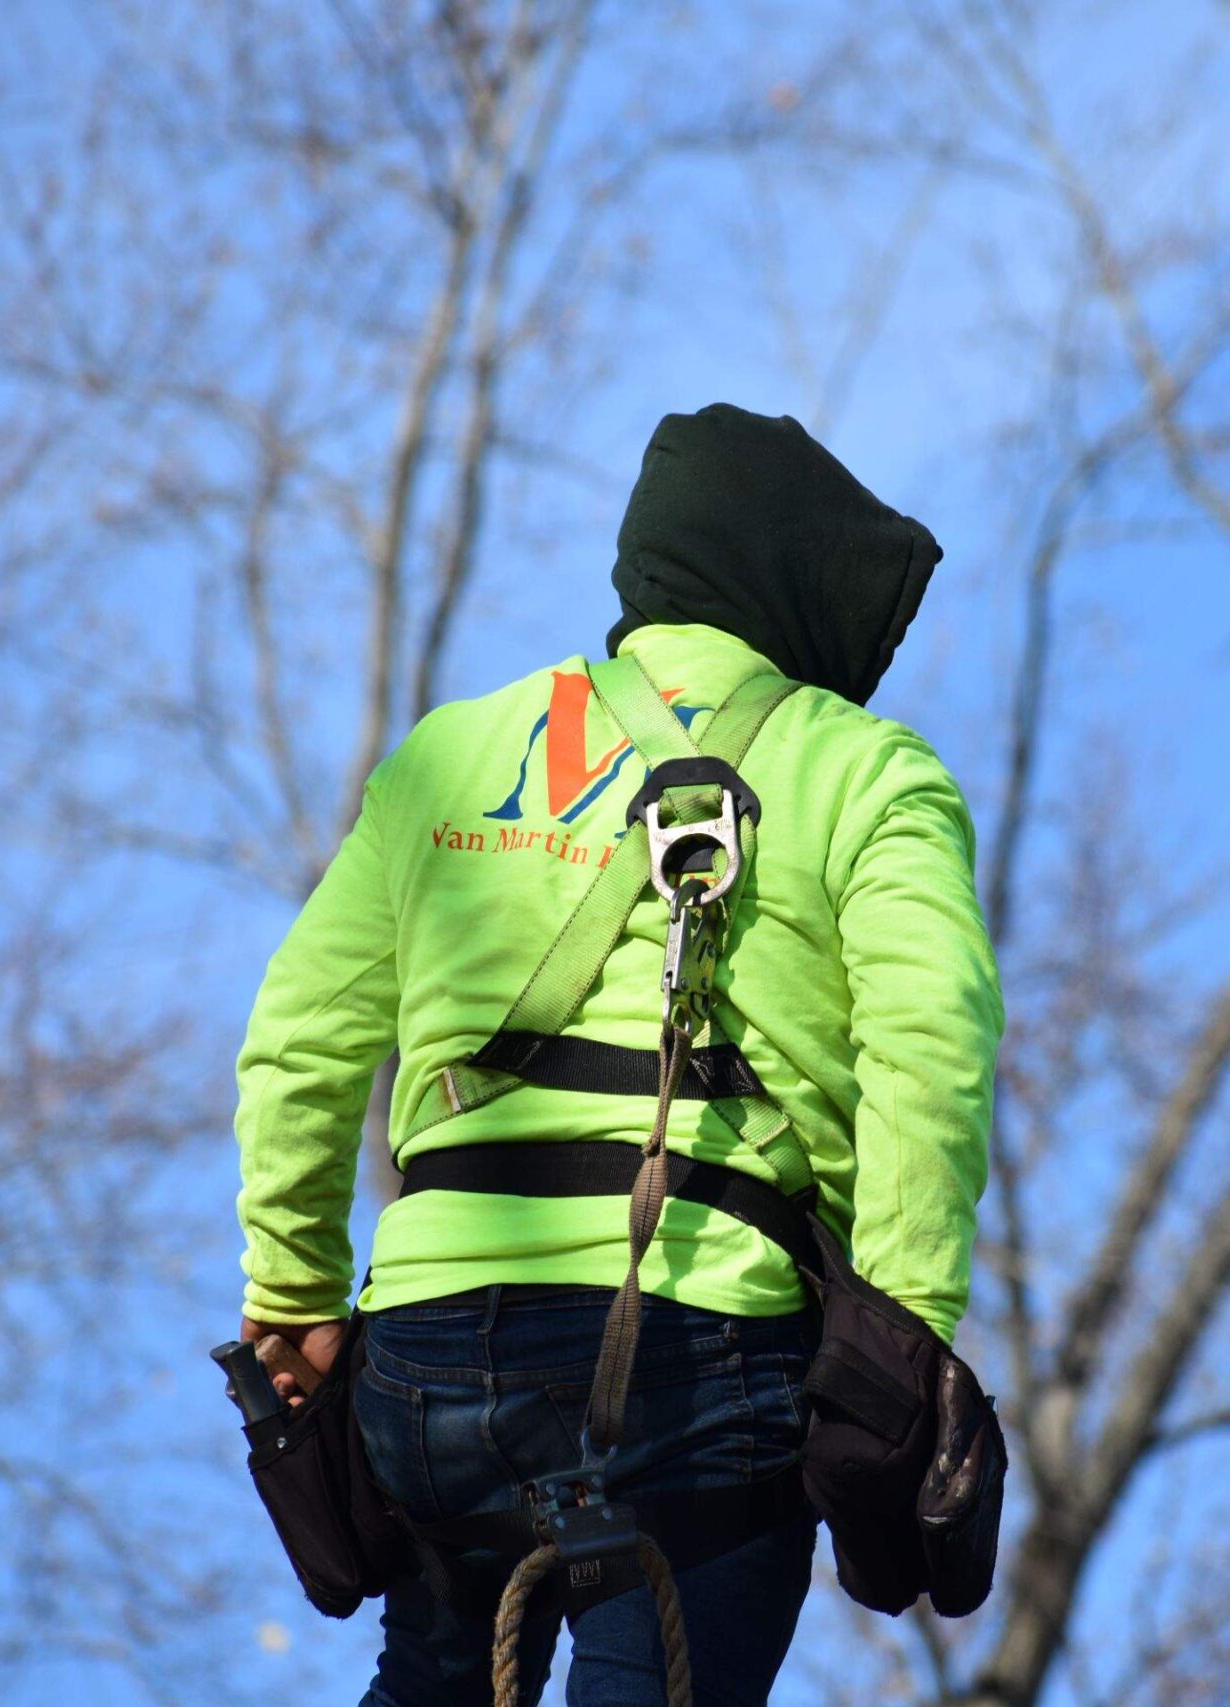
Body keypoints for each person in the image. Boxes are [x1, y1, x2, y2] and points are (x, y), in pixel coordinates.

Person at [231, 402, 1002, 1706]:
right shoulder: (868, 775)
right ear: (795, 585)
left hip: (428, 1363)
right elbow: (931, 1050)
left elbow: (301, 1034)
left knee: (430, 1666)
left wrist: (295, 1292)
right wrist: (904, 1341)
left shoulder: (452, 757)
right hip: (703, 1363)